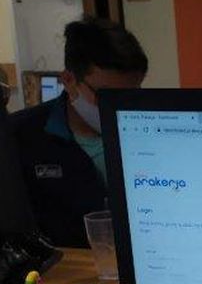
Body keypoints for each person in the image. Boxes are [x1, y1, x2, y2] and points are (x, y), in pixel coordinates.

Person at [6, 17, 148, 247]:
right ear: (69, 80)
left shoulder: (151, 130)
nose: (119, 107)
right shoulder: (20, 136)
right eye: (106, 96)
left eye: (130, 95)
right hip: (66, 263)